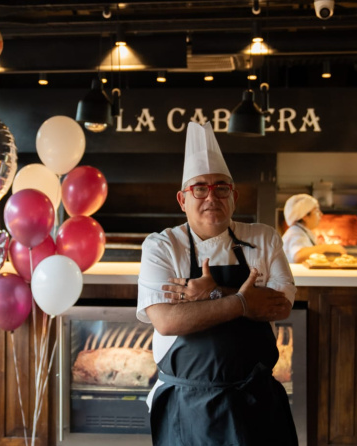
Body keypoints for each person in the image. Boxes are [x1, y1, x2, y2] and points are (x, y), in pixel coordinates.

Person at [137, 121, 299, 445]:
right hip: (189, 405)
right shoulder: (161, 246)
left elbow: (279, 305)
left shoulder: (263, 238)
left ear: (234, 196)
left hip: (257, 402)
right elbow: (167, 321)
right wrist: (244, 301)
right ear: (182, 200)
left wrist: (213, 293)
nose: (211, 197)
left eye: (221, 188)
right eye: (200, 188)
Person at [282, 194, 347, 263]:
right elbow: (298, 256)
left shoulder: (302, 231)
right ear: (305, 216)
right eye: (316, 211)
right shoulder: (295, 233)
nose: (321, 214)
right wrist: (329, 247)